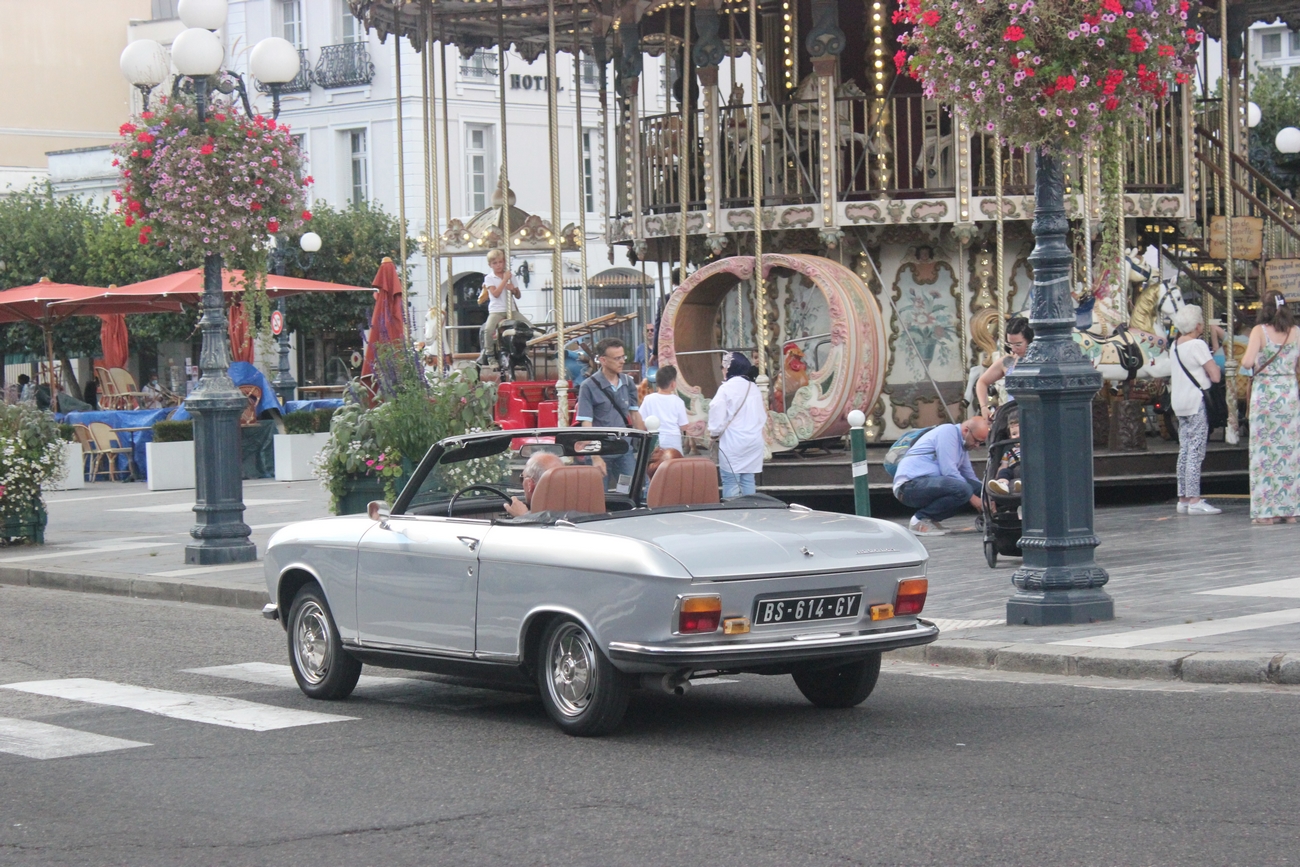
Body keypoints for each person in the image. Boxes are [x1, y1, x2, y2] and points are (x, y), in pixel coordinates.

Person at [1240, 290, 1300, 524]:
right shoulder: (1295, 332)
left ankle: (1266, 513)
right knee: (1289, 453)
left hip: (1266, 396)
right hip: (1289, 395)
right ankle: (1291, 511)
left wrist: (1255, 362)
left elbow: (1246, 362)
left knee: (1265, 455)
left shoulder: (1259, 331)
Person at [893, 416, 990, 537]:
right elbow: (948, 471)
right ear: (966, 431)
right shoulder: (948, 432)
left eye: (980, 443)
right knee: (964, 490)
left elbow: (969, 476)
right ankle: (919, 520)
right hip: (909, 486)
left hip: (930, 483)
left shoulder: (963, 446)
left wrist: (984, 496)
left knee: (975, 489)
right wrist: (975, 500)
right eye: (976, 441)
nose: (977, 446)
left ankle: (932, 519)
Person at [1170, 305, 1222, 516]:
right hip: (1196, 401)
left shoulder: (1174, 346)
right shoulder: (1197, 345)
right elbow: (1215, 375)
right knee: (1196, 450)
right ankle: (1195, 499)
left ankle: (1182, 497)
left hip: (1179, 402)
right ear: (1197, 324)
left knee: (1184, 449)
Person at [576, 337, 644, 491]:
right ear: (603, 360)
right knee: (598, 496)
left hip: (623, 450)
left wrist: (645, 446)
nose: (621, 361)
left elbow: (634, 415)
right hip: (600, 449)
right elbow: (586, 424)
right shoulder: (588, 386)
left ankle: (627, 512)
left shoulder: (628, 382)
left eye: (623, 357)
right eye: (617, 358)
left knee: (628, 491)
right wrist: (595, 457)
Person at [708, 352, 766, 498]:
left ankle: (733, 513)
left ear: (731, 368)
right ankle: (751, 511)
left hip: (734, 442)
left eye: (724, 367)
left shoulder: (726, 388)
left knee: (731, 481)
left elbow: (716, 410)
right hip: (753, 441)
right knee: (748, 479)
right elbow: (762, 416)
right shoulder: (753, 387)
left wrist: (714, 433)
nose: (723, 370)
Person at [976, 317, 1034, 418]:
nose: (1013, 349)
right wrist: (983, 406)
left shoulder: (1040, 361)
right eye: (1010, 344)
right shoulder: (1008, 361)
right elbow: (982, 382)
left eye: (1018, 345)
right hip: (1012, 413)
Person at [477, 248, 526, 364]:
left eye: (500, 262)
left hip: (511, 310)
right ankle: (490, 355)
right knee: (488, 329)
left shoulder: (511, 276)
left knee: (528, 327)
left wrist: (513, 289)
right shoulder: (489, 278)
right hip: (497, 310)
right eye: (495, 263)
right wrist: (504, 280)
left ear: (504, 262)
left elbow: (518, 295)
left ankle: (524, 351)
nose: (498, 265)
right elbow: (495, 293)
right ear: (490, 265)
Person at [639, 364, 690, 453]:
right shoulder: (678, 401)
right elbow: (684, 426)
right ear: (673, 384)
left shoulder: (648, 399)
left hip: (654, 442)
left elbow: (641, 422)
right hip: (673, 444)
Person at [504, 452, 564, 518]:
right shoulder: (574, 512)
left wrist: (523, 516)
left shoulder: (543, 524)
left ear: (530, 484)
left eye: (522, 478)